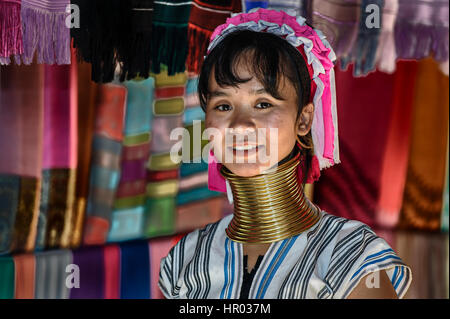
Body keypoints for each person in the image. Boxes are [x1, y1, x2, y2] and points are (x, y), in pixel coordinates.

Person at [159, 8, 412, 299]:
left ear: (303, 120)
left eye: (263, 103)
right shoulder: (185, 261)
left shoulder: (351, 257)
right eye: (223, 106)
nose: (240, 125)